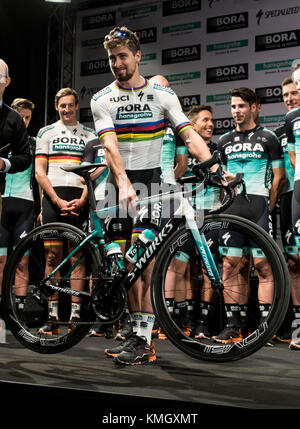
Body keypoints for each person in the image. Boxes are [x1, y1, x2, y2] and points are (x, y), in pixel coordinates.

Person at [90, 26, 219, 365]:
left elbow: (188, 135)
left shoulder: (162, 96)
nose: (117, 62)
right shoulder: (101, 98)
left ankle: (143, 341)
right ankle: (135, 336)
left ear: (137, 56)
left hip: (152, 184)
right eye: (112, 58)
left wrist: (213, 167)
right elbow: (109, 145)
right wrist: (122, 181)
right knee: (124, 268)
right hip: (117, 186)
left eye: (122, 56)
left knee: (142, 265)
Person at [216, 87, 285, 343]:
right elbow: (222, 181)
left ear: (255, 107)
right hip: (233, 210)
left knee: (263, 266)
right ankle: (235, 324)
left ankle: (266, 326)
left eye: (241, 106)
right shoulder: (223, 141)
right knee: (231, 265)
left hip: (259, 206)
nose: (236, 111)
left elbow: (279, 177)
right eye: (233, 107)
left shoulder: (269, 138)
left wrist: (268, 205)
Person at [35, 87, 97, 334]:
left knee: (77, 257)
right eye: (63, 106)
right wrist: (55, 200)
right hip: (54, 198)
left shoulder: (89, 134)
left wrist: (82, 200)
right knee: (52, 257)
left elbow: (93, 172)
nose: (67, 110)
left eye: (71, 105)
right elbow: (40, 171)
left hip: (79, 197)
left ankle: (75, 316)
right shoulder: (45, 132)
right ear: (56, 106)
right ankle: (52, 317)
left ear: (76, 106)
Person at [0, 98, 40, 314]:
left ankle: (20, 313)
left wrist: (42, 207)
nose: (23, 121)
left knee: (22, 262)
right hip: (3, 202)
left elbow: (41, 175)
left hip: (25, 204)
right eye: (20, 117)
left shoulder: (33, 143)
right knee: (1, 262)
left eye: (27, 118)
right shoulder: (3, 136)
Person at [0, 59, 32, 318]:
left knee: (8, 260)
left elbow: (24, 157)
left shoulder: (13, 118)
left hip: (8, 199)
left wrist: (4, 163)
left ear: (7, 82)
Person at [273, 77, 300, 344]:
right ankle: (298, 326)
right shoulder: (282, 130)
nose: (290, 98)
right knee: (294, 262)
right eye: (285, 95)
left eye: (294, 93)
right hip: (290, 198)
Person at [286, 60, 300, 350]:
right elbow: (293, 157)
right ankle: (298, 324)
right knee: (296, 260)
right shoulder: (292, 119)